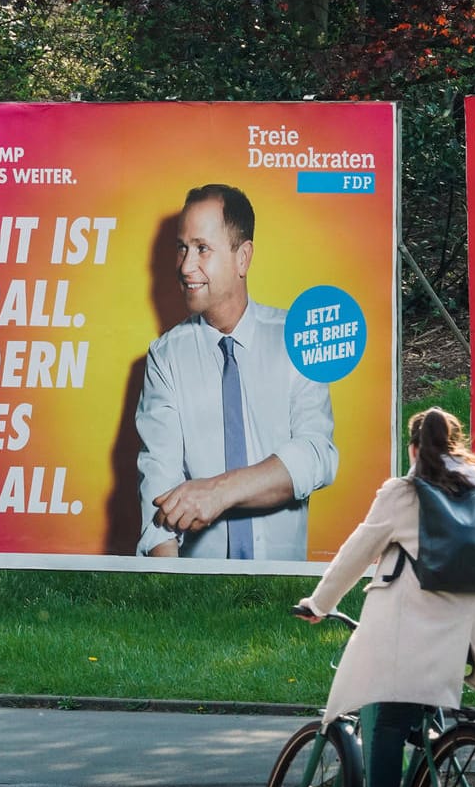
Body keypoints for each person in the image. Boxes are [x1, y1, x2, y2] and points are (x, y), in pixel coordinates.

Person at [295, 408, 475, 787]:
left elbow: (358, 550)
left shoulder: (402, 492)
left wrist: (320, 603)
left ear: (413, 449)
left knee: (383, 717)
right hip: (465, 631)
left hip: (408, 633)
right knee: (421, 715)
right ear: (456, 446)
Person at [135, 184, 337, 558]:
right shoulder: (165, 359)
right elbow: (157, 495)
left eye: (201, 248)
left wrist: (219, 492)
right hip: (198, 595)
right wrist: (172, 597)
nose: (185, 266)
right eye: (182, 248)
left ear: (242, 258)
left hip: (283, 591)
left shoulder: (299, 339)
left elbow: (317, 455)